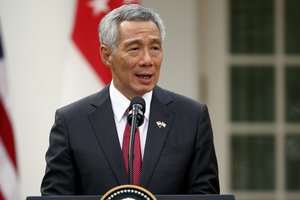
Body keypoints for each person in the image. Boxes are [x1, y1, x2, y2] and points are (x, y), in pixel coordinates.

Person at [41, 4, 219, 195]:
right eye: (134, 49)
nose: (147, 60)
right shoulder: (71, 122)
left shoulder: (191, 118)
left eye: (155, 48)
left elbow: (206, 195)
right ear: (107, 55)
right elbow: (55, 196)